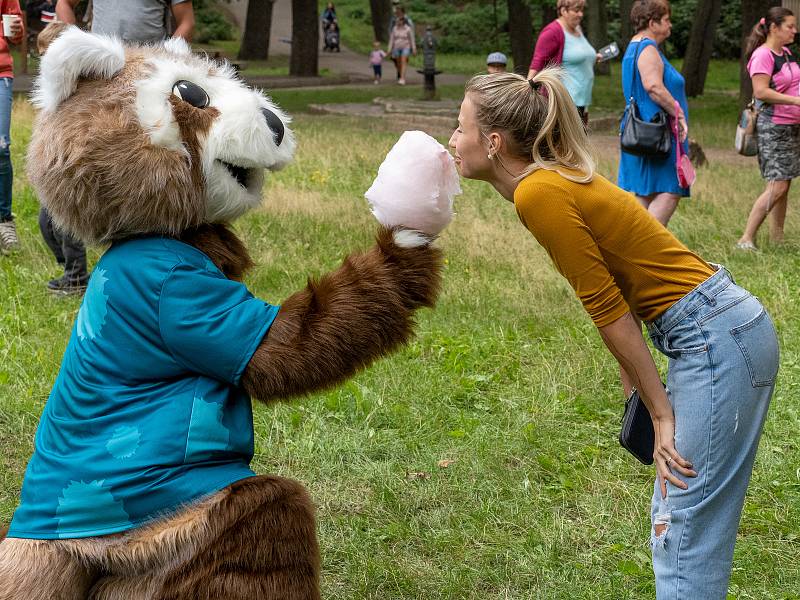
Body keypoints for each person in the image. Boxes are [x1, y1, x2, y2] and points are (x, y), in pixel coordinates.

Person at [449, 68, 778, 599]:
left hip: (715, 338)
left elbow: (608, 311)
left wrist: (662, 412)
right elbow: (618, 292)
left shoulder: (539, 193)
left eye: (458, 126)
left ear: (492, 142)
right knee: (682, 522)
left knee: (684, 529)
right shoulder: (546, 183)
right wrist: (638, 390)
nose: (452, 138)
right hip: (721, 329)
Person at [617, 0, 688, 227]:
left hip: (644, 133)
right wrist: (678, 113)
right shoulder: (647, 48)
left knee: (646, 193)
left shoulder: (634, 47)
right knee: (671, 189)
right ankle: (648, 249)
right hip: (657, 135)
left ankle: (632, 251)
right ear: (652, 22)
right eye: (666, 20)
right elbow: (653, 87)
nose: (670, 26)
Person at [736, 7, 800, 251]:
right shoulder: (763, 56)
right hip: (773, 128)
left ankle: (777, 238)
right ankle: (746, 239)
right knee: (778, 185)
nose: (795, 30)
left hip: (791, 127)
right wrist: (795, 101)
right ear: (774, 28)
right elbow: (761, 91)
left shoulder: (785, 53)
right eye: (790, 26)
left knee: (785, 183)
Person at [527, 0, 600, 124]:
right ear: (563, 11)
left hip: (581, 100)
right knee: (563, 142)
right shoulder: (552, 32)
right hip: (563, 102)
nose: (581, 14)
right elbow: (537, 62)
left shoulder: (578, 29)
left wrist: (593, 57)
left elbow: (577, 55)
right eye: (576, 10)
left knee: (578, 141)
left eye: (582, 10)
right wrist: (526, 90)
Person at [0, 0, 23, 254]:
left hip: (0, 73)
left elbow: (16, 37)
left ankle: (4, 220)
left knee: (1, 147)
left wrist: (15, 31)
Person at [56, 0, 195, 43]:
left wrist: (167, 58)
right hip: (100, 65)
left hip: (150, 68)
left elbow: (187, 23)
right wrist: (73, 41)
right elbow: (64, 3)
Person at [388, 15, 415, 86]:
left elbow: (411, 39)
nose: (397, 22)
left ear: (403, 21)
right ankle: (401, 76)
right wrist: (389, 49)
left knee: (403, 61)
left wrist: (414, 49)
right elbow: (392, 39)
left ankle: (402, 78)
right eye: (396, 21)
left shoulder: (408, 29)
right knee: (398, 63)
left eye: (399, 21)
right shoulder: (394, 29)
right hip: (396, 47)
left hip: (406, 47)